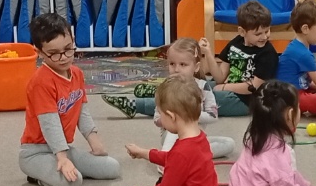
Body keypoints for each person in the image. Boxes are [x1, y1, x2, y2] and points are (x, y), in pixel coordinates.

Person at [20, 12, 120, 186]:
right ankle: (38, 176)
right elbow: (50, 124)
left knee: (112, 168)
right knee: (73, 183)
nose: (64, 57)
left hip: (64, 148)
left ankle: (62, 168)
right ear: (40, 53)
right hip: (36, 153)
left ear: (73, 41)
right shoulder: (40, 82)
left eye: (68, 49)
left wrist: (95, 142)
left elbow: (82, 111)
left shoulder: (77, 74)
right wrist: (62, 158)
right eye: (54, 54)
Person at [120, 77, 222, 186]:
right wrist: (144, 153)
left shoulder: (182, 151)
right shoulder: (199, 137)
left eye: (161, 114)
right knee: (161, 183)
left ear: (171, 116)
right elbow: (172, 160)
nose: (160, 118)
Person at [101, 38, 236, 160]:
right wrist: (173, 120)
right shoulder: (165, 87)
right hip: (174, 136)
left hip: (196, 138)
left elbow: (213, 116)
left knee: (228, 143)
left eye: (183, 64)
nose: (176, 69)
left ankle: (188, 156)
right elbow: (156, 118)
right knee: (175, 134)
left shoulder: (203, 86)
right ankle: (168, 160)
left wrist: (188, 116)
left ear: (196, 67)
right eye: (172, 64)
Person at [228, 81, 316, 186]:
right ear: (290, 114)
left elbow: (288, 174)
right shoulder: (277, 153)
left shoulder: (256, 137)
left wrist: (306, 185)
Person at [209, 1, 281, 117]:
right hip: (231, 89)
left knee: (209, 97)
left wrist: (224, 87)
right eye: (258, 34)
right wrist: (208, 53)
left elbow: (253, 87)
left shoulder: (268, 54)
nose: (264, 37)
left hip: (248, 101)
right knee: (201, 85)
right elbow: (220, 78)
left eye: (267, 31)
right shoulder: (236, 42)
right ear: (242, 32)